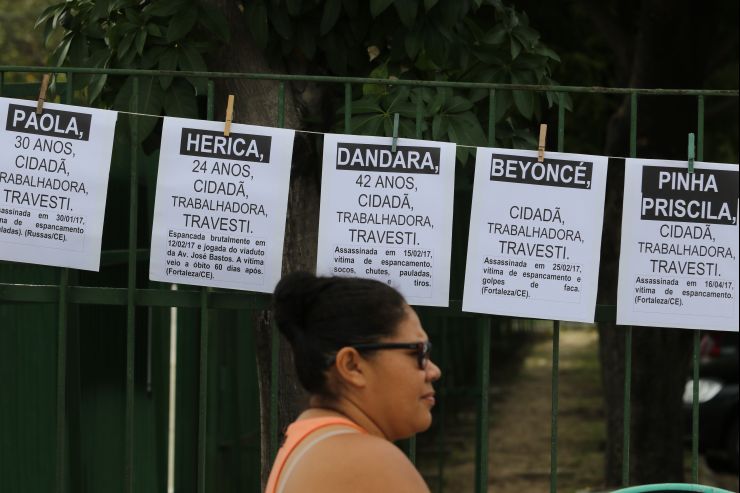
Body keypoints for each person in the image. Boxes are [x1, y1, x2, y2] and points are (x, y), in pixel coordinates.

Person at [265, 272, 442, 493]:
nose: (434, 371)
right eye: (418, 352)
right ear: (352, 366)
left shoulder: (309, 440)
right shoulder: (371, 463)